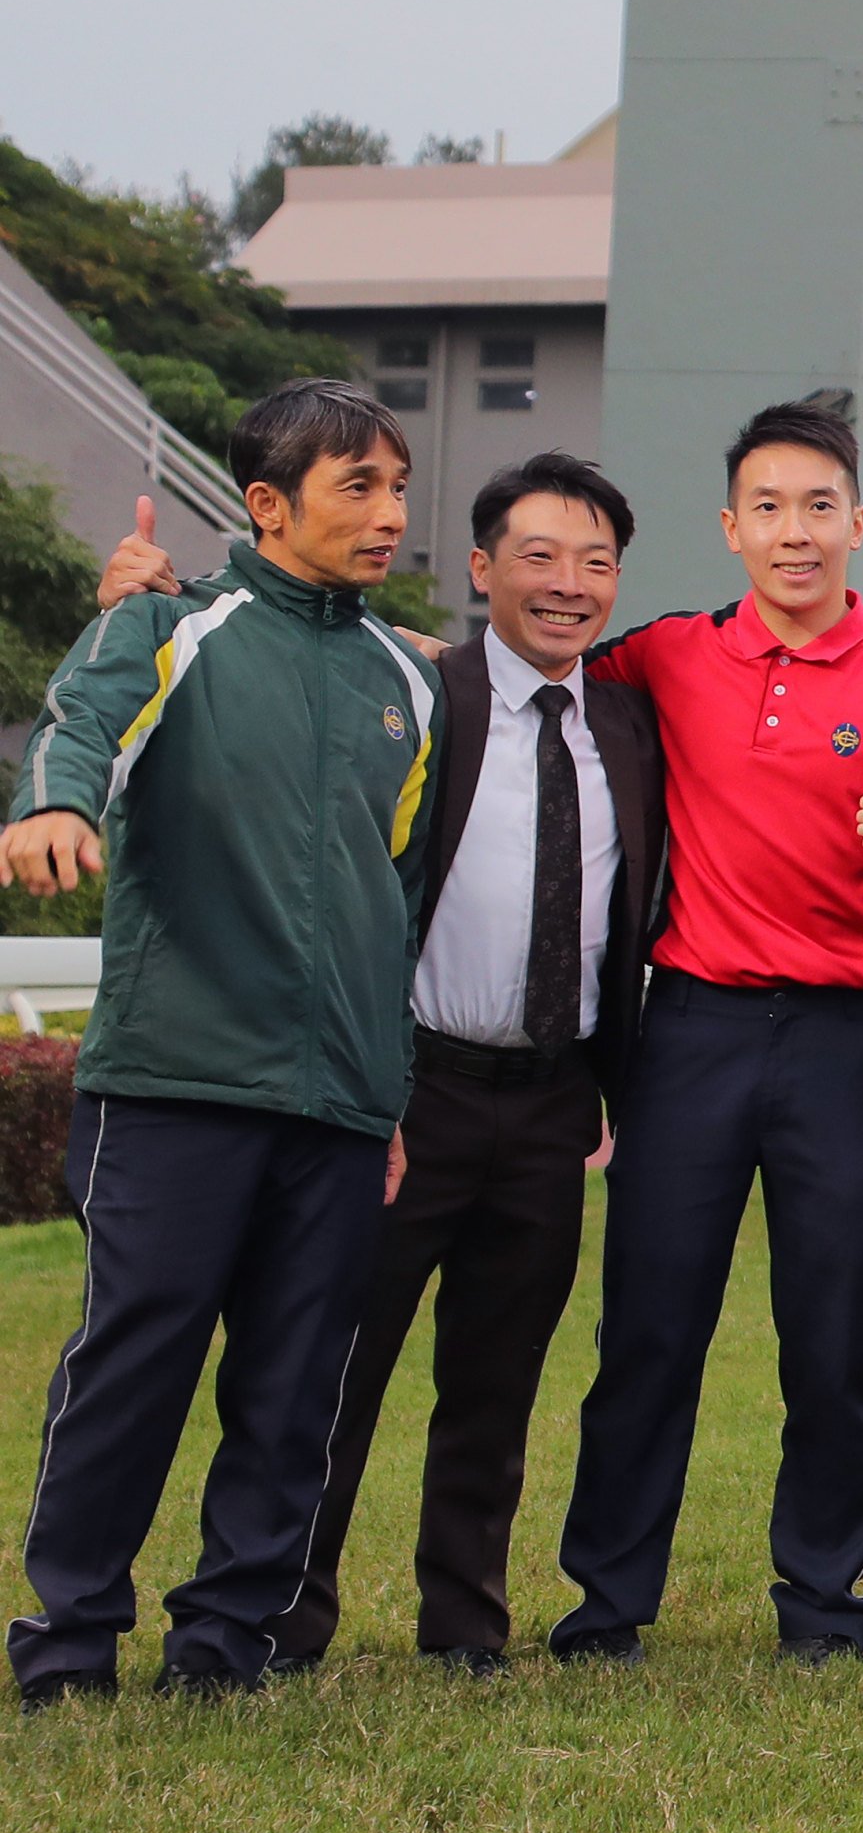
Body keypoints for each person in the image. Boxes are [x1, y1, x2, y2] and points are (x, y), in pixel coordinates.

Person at [544, 401, 863, 1665]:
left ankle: (823, 1602)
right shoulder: (666, 654)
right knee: (647, 1328)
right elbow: (531, 654)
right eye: (769, 509)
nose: (794, 534)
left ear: (859, 523)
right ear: (731, 527)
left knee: (834, 1332)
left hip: (841, 1039)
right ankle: (608, 1601)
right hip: (685, 1031)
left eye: (819, 508)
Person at [4, 381, 437, 1704]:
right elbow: (77, 728)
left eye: (397, 488)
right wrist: (49, 814)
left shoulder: (405, 679)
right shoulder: (168, 627)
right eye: (357, 487)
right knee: (137, 1360)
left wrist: (393, 1089)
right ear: (267, 501)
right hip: (180, 1078)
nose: (389, 517)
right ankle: (69, 1645)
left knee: (295, 1383)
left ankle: (226, 1645)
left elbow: (390, 894)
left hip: (342, 1096)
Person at [277, 456, 664, 1678]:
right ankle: (283, 1613)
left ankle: (463, 1627)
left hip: (551, 1101)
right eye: (539, 557)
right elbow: (289, 628)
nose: (568, 585)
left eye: (595, 562)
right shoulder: (417, 689)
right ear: (484, 568)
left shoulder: (629, 721)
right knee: (337, 1366)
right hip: (410, 1093)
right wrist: (154, 595)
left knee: (495, 1383)